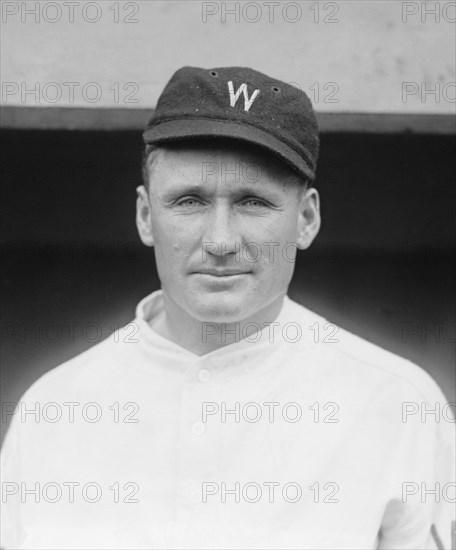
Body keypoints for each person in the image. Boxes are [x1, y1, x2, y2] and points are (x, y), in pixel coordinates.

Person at [1, 66, 454, 549]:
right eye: (189, 201)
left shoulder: (395, 403)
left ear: (306, 219)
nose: (220, 241)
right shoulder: (56, 409)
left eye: (253, 202)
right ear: (145, 216)